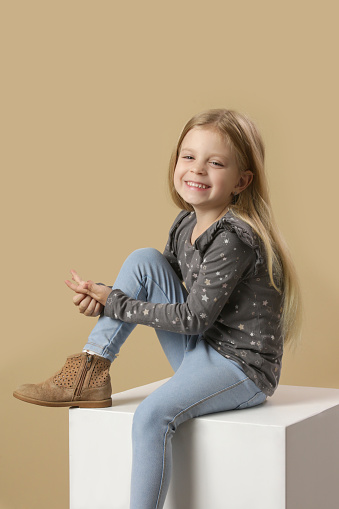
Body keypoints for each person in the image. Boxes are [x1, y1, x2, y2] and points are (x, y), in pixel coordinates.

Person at [13, 108, 301, 509]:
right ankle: (91, 368)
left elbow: (193, 318)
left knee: (151, 417)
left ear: (242, 180)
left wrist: (116, 302)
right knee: (144, 260)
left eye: (215, 162)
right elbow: (159, 292)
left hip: (239, 368)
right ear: (176, 163)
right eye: (188, 156)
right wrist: (107, 298)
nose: (197, 169)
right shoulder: (184, 224)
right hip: (199, 350)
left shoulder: (234, 237)